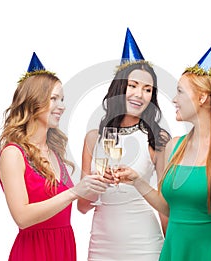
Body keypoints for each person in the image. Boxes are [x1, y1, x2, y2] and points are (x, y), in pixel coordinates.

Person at [116, 33, 211, 261]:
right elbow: (168, 208)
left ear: (203, 98)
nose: (174, 100)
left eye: (180, 92)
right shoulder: (173, 146)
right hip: (175, 252)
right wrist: (136, 180)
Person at [0, 52, 108, 261]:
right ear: (33, 102)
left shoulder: (54, 152)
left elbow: (74, 206)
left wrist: (93, 186)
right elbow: (22, 217)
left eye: (62, 99)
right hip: (34, 252)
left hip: (63, 248)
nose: (62, 106)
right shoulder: (13, 153)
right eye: (54, 99)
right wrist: (74, 192)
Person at [77, 28, 171, 261]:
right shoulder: (92, 138)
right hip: (101, 245)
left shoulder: (158, 140)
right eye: (133, 85)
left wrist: (173, 249)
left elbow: (165, 205)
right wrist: (95, 186)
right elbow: (82, 206)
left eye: (148, 89)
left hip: (144, 244)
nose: (140, 94)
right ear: (120, 88)